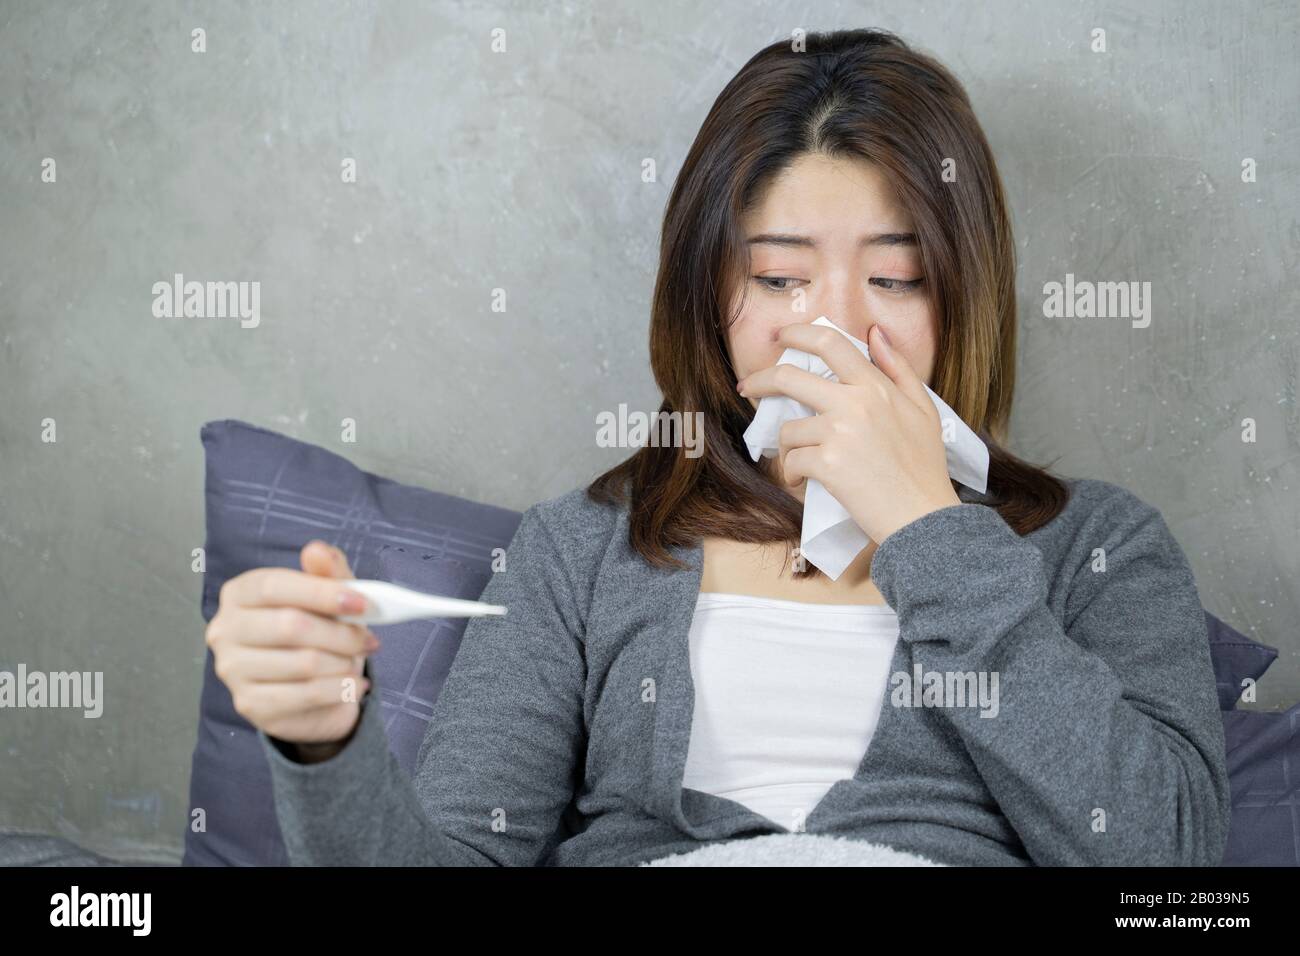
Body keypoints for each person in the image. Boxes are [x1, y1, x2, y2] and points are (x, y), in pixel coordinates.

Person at [205, 28, 1230, 866]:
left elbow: (1171, 870)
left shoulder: (1095, 547)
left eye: (896, 277)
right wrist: (324, 744)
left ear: (965, 295)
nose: (830, 327)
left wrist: (927, 527)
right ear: (709, 297)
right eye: (780, 278)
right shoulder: (581, 551)